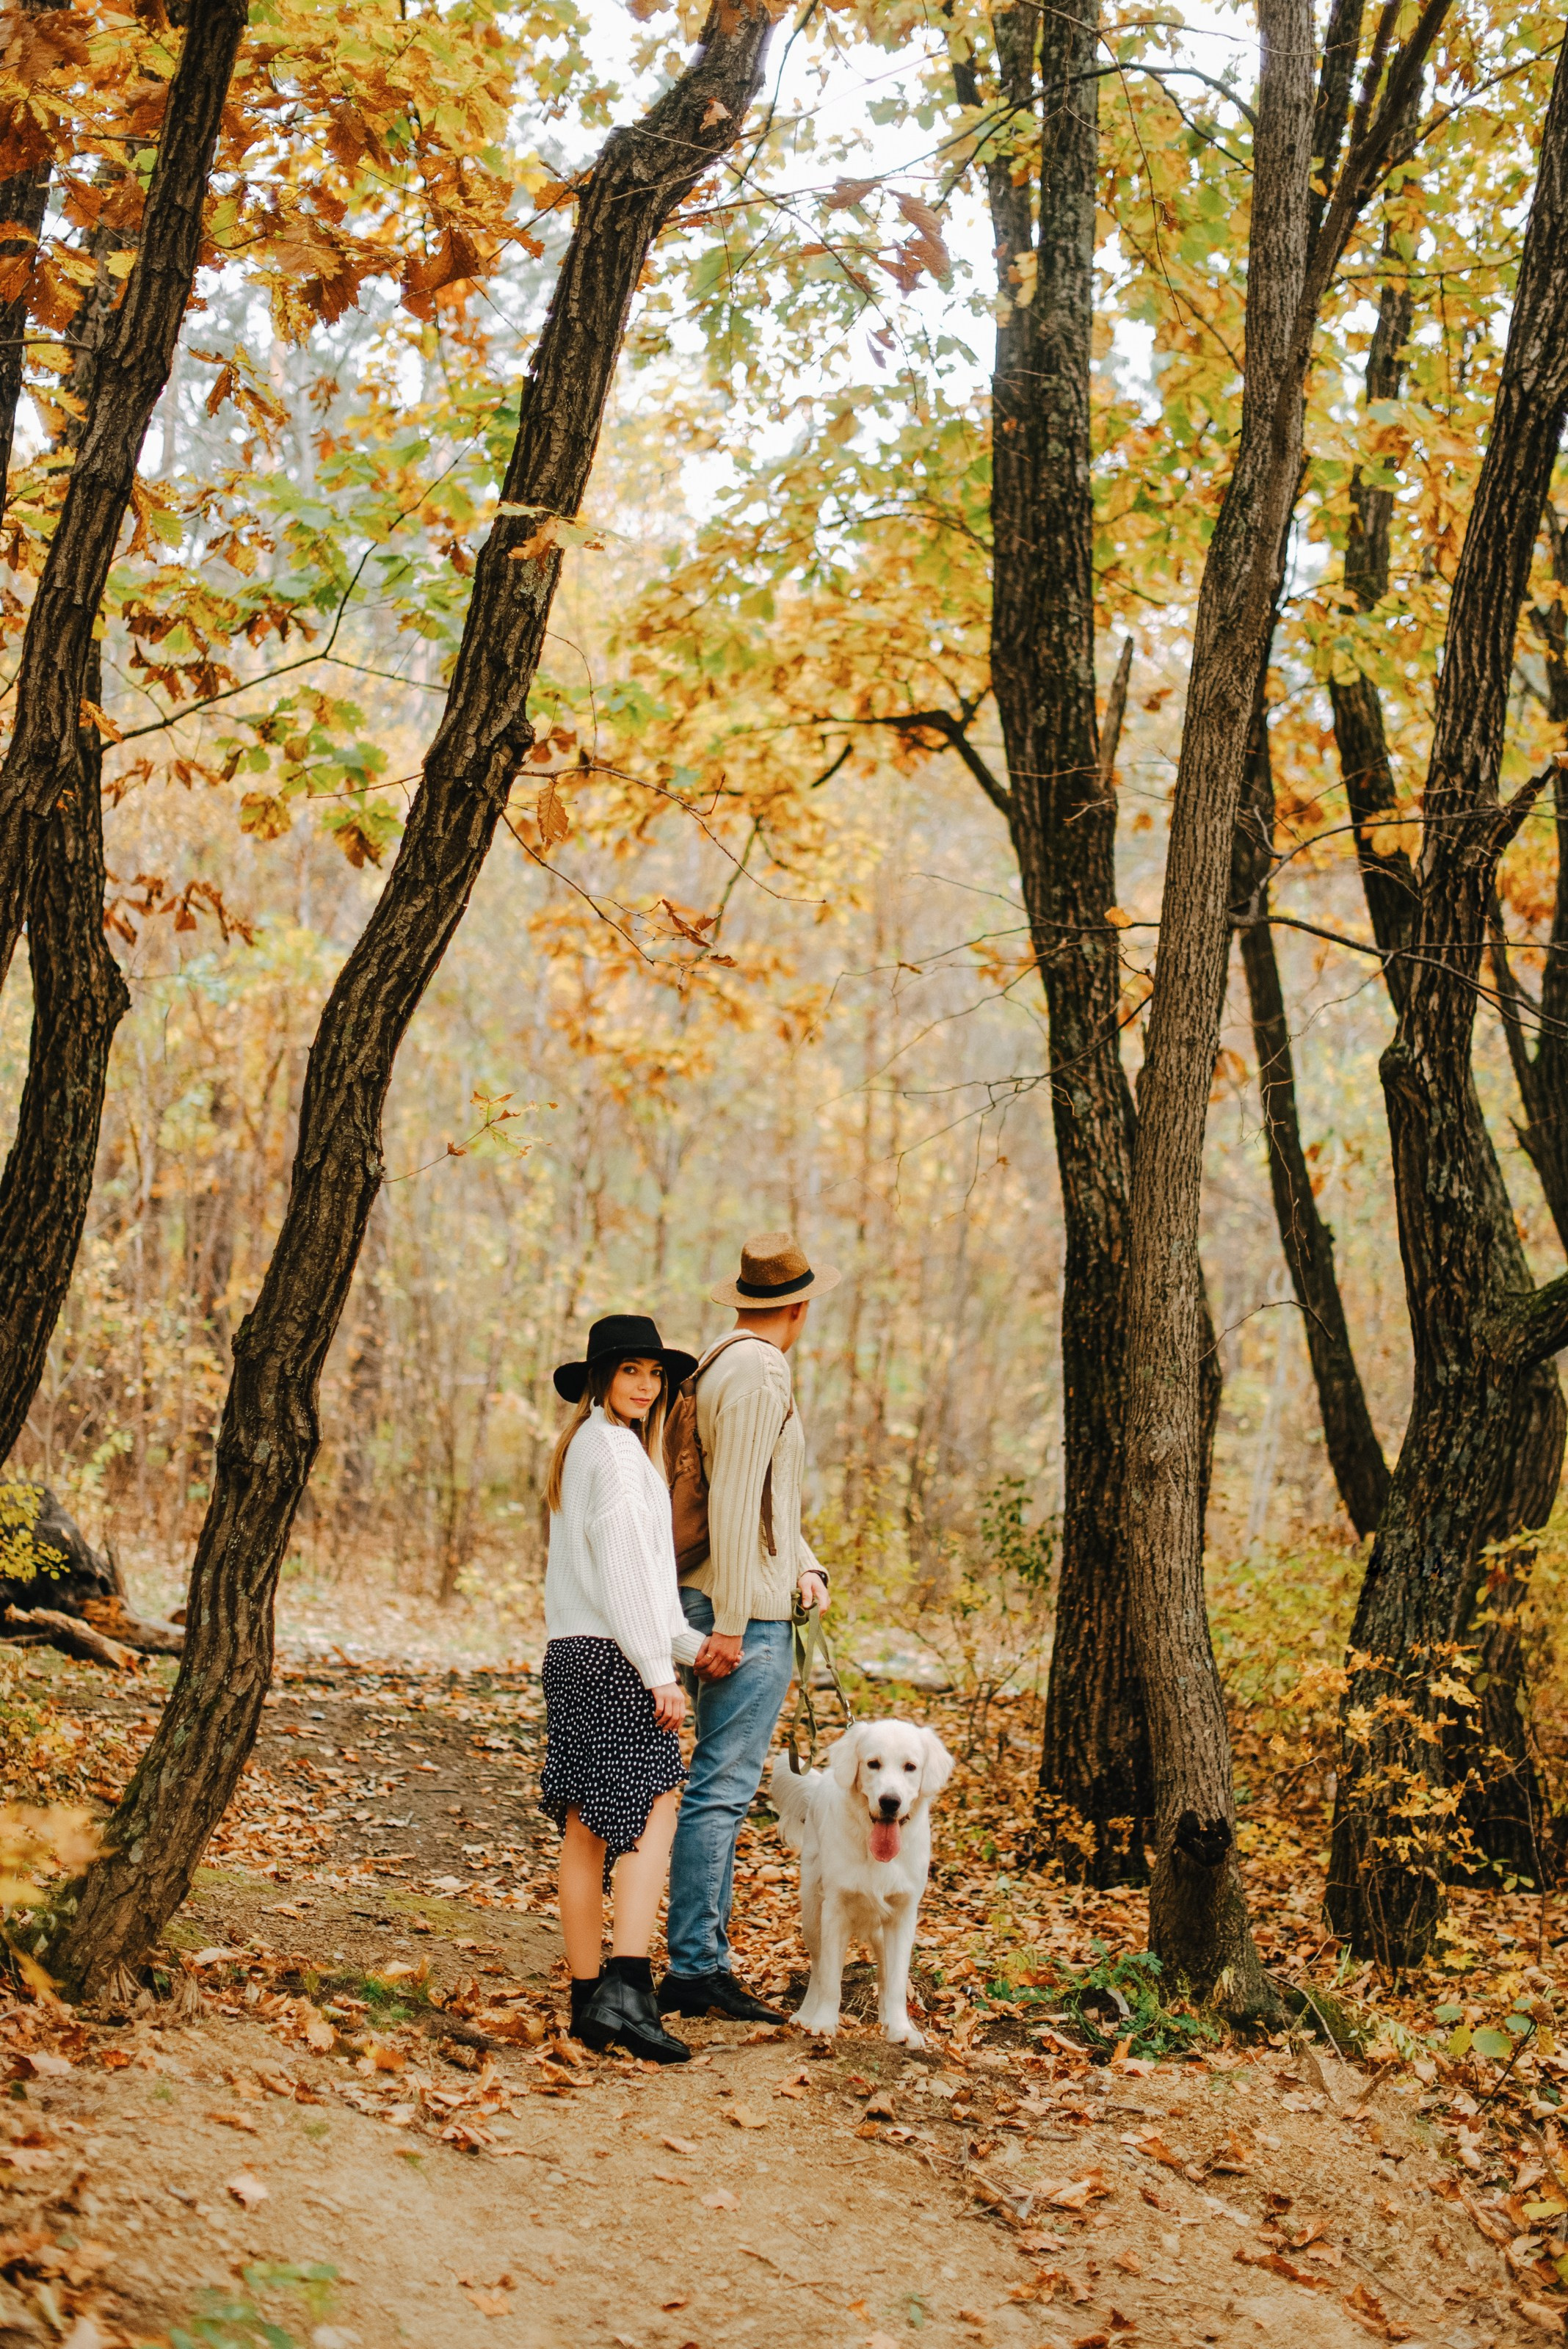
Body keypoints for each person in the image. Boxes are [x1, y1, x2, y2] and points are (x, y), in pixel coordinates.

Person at [660, 1233, 838, 2023]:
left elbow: (766, 1497)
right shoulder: (764, 1370)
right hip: (741, 1614)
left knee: (710, 1790)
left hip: (720, 1591)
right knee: (721, 1793)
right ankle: (697, 1967)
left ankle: (700, 1958)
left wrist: (803, 1560)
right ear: (796, 1307)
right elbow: (733, 1501)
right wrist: (733, 1620)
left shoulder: (716, 1361)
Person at [540, 1312, 703, 2063]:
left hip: (574, 1650)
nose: (645, 1383)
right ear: (603, 1376)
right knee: (653, 1803)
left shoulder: (593, 1447)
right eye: (631, 1369)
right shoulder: (615, 1452)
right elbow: (628, 1577)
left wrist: (690, 1644)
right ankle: (630, 1987)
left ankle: (587, 1999)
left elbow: (634, 1582)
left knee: (587, 1826)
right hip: (610, 1657)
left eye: (654, 1372)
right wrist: (661, 1671)